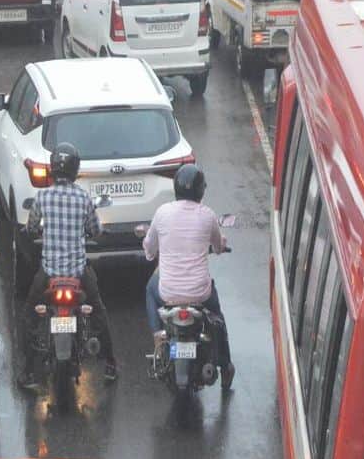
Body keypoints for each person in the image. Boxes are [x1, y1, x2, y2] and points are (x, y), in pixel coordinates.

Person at [19, 143, 118, 388]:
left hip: (49, 272)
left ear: (53, 168)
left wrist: (32, 230)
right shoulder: (84, 197)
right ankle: (110, 364)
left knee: (29, 313)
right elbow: (95, 230)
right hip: (78, 272)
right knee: (98, 310)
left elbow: (31, 228)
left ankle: (28, 371)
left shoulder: (42, 196)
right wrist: (97, 232)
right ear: (75, 170)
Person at [142, 164, 234, 389]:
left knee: (149, 291)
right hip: (200, 293)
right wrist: (222, 246)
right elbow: (218, 244)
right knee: (217, 318)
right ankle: (226, 366)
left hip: (168, 292)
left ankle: (158, 337)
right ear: (201, 190)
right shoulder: (208, 215)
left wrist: (150, 251)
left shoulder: (162, 213)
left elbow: (149, 247)